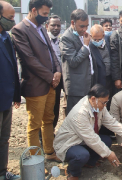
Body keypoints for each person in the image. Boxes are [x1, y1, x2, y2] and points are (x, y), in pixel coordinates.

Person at [54, 84, 122, 180]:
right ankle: (72, 172)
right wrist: (109, 154)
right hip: (70, 143)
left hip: (83, 140)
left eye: (106, 102)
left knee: (107, 141)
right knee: (82, 155)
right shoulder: (80, 114)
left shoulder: (98, 106)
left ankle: (89, 162)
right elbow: (91, 139)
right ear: (93, 99)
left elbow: (112, 123)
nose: (105, 105)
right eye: (104, 103)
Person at [11, 0, 61, 161]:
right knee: (34, 125)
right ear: (33, 10)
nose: (46, 18)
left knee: (49, 119)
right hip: (36, 85)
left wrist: (58, 71)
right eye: (44, 14)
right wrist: (50, 76)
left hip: (50, 85)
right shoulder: (19, 30)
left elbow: (52, 53)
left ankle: (49, 152)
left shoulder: (41, 29)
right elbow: (29, 60)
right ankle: (35, 159)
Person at [60, 9, 97, 115]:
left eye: (87, 26)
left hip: (88, 84)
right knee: (75, 118)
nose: (85, 29)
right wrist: (85, 46)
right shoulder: (66, 38)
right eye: (82, 26)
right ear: (73, 23)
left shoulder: (82, 35)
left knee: (85, 116)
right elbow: (73, 61)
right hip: (76, 88)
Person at [0, 1, 21, 180]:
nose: (13, 22)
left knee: (4, 139)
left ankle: (2, 172)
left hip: (6, 97)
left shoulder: (7, 37)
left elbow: (13, 67)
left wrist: (16, 95)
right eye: (10, 18)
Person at [46, 14, 62, 129]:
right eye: (53, 25)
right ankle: (43, 137)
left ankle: (51, 132)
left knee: (56, 107)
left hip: (58, 81)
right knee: (46, 109)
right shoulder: (43, 41)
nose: (56, 28)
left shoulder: (60, 41)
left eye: (58, 25)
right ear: (47, 26)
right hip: (47, 80)